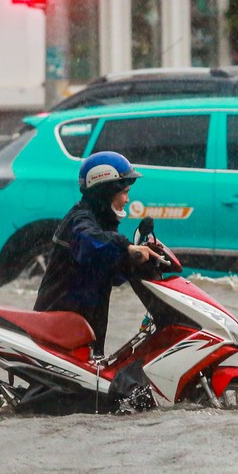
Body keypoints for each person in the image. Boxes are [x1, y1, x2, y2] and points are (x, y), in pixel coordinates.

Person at [34, 151, 156, 356]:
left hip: (83, 329)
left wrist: (136, 262)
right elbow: (91, 243)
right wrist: (126, 246)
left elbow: (112, 271)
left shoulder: (101, 222)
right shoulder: (80, 221)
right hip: (60, 329)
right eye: (124, 192)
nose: (127, 199)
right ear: (106, 190)